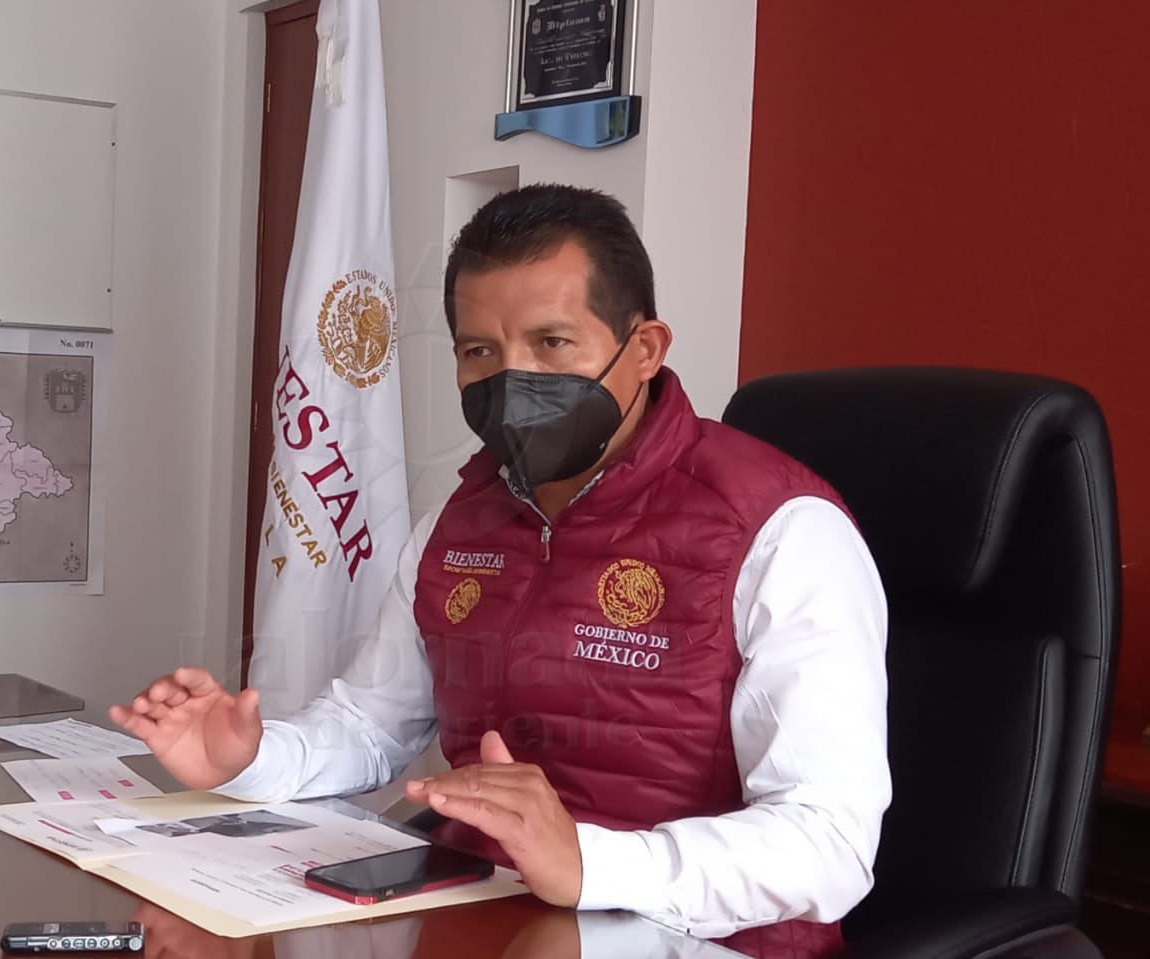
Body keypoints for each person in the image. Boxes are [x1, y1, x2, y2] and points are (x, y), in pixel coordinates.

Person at [112, 185, 889, 956]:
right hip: (484, 919)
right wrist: (249, 760)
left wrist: (588, 862)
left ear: (645, 350)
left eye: (552, 343)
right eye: (480, 352)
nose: (513, 380)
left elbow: (829, 840)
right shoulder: (454, 524)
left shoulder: (782, 532)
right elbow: (371, 725)